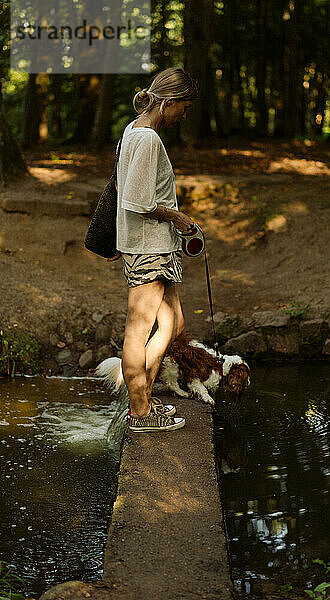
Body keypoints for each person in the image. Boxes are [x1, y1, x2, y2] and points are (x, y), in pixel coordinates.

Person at [109, 67, 199, 432]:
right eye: (184, 107)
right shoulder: (146, 139)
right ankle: (141, 411)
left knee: (174, 322)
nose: (185, 114)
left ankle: (142, 394)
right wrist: (176, 216)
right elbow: (139, 201)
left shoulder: (134, 131)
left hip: (153, 245)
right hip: (149, 247)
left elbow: (121, 188)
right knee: (138, 328)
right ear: (169, 102)